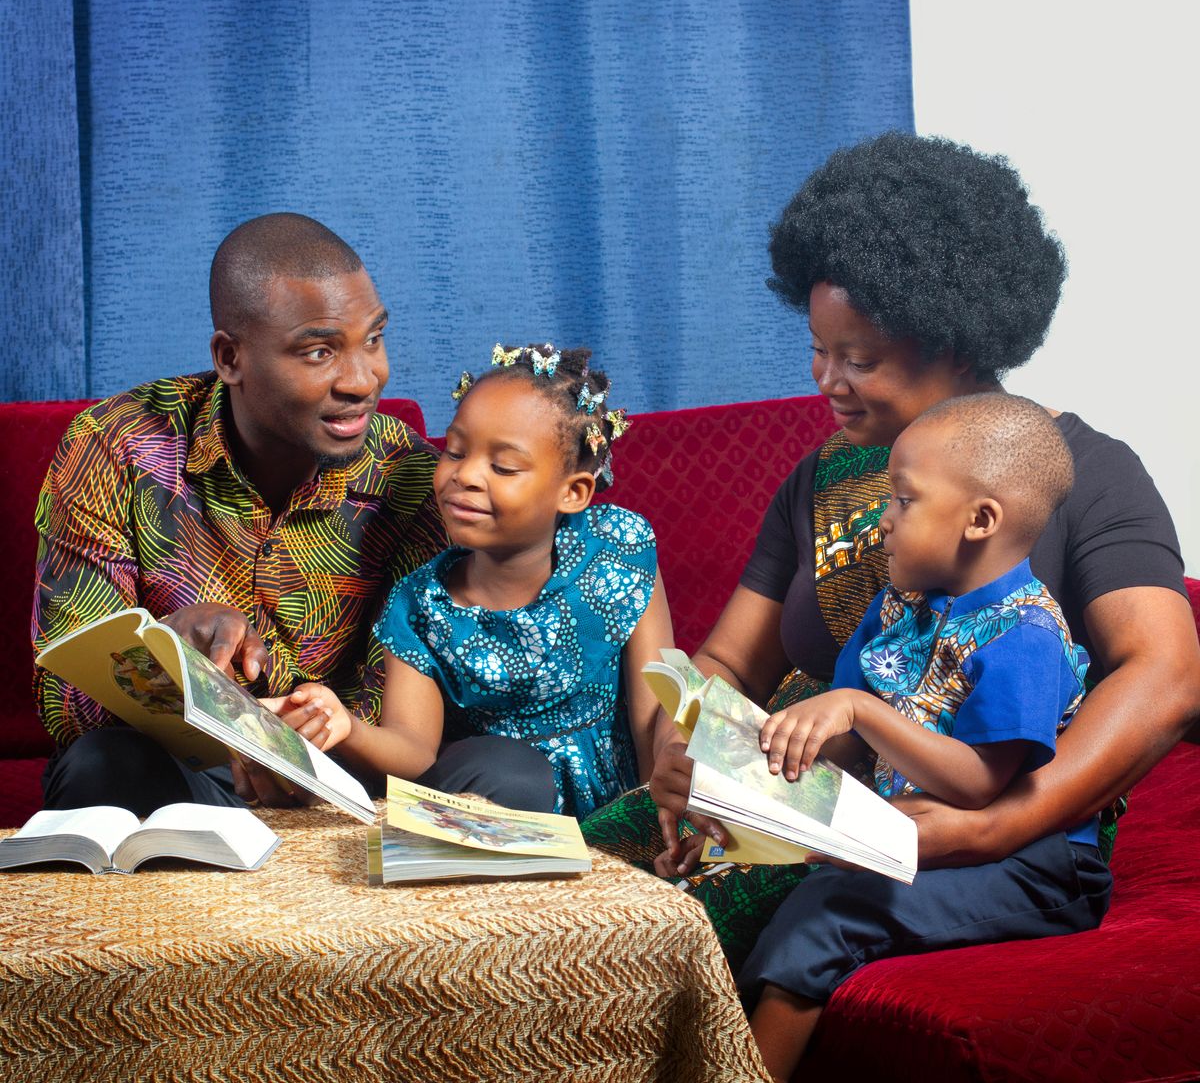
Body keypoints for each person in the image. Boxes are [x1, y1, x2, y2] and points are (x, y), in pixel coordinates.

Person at [581, 131, 1200, 970]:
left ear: (959, 338)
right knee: (557, 887)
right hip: (789, 794)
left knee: (629, 943)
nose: (826, 381)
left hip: (921, 819)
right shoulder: (818, 477)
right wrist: (687, 753)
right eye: (819, 350)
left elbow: (1166, 676)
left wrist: (1002, 821)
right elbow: (729, 661)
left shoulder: (1082, 471)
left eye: (858, 358)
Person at [34, 212, 462, 816]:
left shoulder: (413, 477)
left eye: (373, 338)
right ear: (230, 357)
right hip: (186, 777)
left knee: (492, 769)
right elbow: (67, 698)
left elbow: (399, 709)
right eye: (319, 351)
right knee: (101, 767)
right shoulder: (117, 445)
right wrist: (170, 658)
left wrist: (300, 731)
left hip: (344, 777)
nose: (365, 379)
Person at [737, 392, 1111, 1081]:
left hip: (1033, 867)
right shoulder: (897, 604)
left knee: (831, 909)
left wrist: (861, 711)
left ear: (981, 520)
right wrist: (747, 768)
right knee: (747, 877)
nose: (881, 522)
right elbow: (845, 745)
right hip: (911, 827)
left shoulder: (1024, 636)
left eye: (903, 501)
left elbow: (977, 783)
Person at [269, 343, 676, 817]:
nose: (465, 475)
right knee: (505, 770)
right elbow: (414, 750)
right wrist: (347, 725)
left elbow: (656, 710)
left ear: (573, 492)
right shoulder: (422, 604)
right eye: (456, 451)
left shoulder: (618, 550)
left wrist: (656, 821)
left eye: (502, 466)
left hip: (614, 809)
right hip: (492, 810)